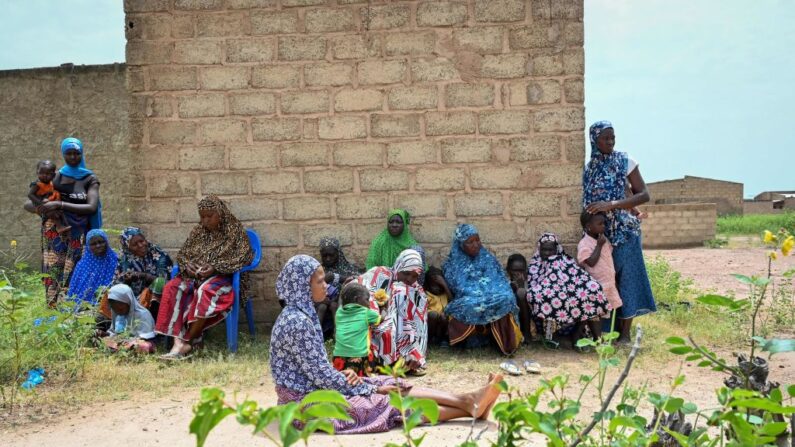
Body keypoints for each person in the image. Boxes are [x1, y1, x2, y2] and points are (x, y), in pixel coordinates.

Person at [270, 254, 504, 434]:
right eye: (319, 281)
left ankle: (466, 401)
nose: (325, 285)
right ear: (302, 285)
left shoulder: (301, 314)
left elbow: (315, 370)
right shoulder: (297, 322)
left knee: (388, 382)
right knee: (383, 400)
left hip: (316, 388)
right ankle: (468, 404)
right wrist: (367, 387)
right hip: (305, 403)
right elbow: (318, 376)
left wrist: (354, 379)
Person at [582, 120, 656, 343]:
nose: (610, 142)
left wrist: (611, 204)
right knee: (606, 280)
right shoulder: (589, 169)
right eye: (605, 138)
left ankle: (625, 335)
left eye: (612, 137)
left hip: (626, 234)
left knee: (628, 281)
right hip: (603, 237)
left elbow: (644, 194)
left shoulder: (625, 161)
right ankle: (607, 331)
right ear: (594, 140)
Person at [155, 195, 253, 359]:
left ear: (220, 213)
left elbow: (245, 257)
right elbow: (183, 254)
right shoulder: (198, 231)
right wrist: (189, 266)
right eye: (202, 217)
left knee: (204, 292)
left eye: (209, 216)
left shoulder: (235, 231)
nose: (205, 221)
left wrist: (216, 268)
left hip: (223, 279)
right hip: (194, 278)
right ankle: (177, 342)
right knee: (172, 287)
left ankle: (188, 340)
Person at [24, 137, 102, 306]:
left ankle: (75, 309)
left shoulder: (89, 179)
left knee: (76, 270)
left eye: (77, 153)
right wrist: (46, 208)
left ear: (82, 154)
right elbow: (28, 203)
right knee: (54, 271)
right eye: (69, 153)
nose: (73, 157)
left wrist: (60, 204)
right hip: (55, 234)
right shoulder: (54, 177)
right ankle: (52, 309)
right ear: (63, 154)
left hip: (79, 233)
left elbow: (91, 207)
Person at [442, 224, 523, 356]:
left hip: (493, 295)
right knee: (467, 306)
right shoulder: (452, 264)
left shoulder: (488, 258)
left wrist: (490, 293)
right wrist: (481, 294)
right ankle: (468, 340)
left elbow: (500, 281)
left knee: (507, 298)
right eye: (470, 242)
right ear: (461, 245)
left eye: (477, 240)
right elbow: (459, 288)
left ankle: (504, 341)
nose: (475, 245)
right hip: (471, 299)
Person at [527, 233, 610, 347]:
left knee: (592, 293)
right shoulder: (535, 264)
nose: (547, 253)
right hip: (548, 302)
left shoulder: (566, 260)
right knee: (548, 298)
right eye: (544, 250)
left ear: (556, 249)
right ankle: (552, 338)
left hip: (568, 296)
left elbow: (576, 277)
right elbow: (533, 286)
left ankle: (595, 338)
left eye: (550, 250)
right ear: (539, 249)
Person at [356, 249, 428, 375]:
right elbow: (363, 294)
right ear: (398, 267)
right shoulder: (379, 274)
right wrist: (380, 314)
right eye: (406, 273)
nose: (410, 279)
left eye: (414, 276)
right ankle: (384, 363)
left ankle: (408, 361)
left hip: (402, 328)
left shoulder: (416, 289)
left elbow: (420, 322)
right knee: (386, 331)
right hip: (375, 320)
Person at [112, 227, 173, 321]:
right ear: (127, 247)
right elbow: (118, 285)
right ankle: (109, 325)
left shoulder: (158, 255)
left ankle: (155, 323)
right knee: (112, 293)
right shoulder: (124, 260)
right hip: (132, 300)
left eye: (142, 240)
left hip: (156, 299)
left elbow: (165, 283)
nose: (141, 245)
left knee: (158, 284)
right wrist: (127, 281)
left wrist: (142, 275)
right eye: (134, 244)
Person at [577, 212, 623, 319]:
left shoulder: (603, 239)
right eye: (600, 224)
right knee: (594, 314)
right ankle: (583, 334)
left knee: (605, 312)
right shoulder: (585, 243)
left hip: (609, 282)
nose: (604, 226)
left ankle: (601, 334)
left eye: (604, 223)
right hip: (597, 285)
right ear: (588, 226)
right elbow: (591, 262)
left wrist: (614, 280)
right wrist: (599, 245)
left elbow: (608, 259)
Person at [316, 237, 363, 339]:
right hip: (322, 306)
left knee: (335, 305)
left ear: (338, 253)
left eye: (331, 255)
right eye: (325, 256)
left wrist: (336, 277)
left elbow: (359, 281)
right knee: (323, 306)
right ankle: (318, 336)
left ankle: (340, 335)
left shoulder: (349, 268)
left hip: (342, 306)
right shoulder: (317, 270)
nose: (328, 259)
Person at [332, 283, 381, 377]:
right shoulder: (366, 312)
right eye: (367, 300)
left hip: (338, 357)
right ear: (357, 299)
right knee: (373, 347)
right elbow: (380, 319)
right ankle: (369, 372)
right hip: (359, 357)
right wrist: (383, 308)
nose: (368, 303)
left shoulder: (338, 313)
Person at [66, 229, 118, 307]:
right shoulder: (82, 265)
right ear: (88, 246)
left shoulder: (115, 260)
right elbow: (74, 289)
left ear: (106, 242)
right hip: (83, 305)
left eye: (101, 242)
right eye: (93, 244)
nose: (98, 245)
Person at [102, 284, 157, 354]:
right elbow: (113, 332)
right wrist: (104, 334)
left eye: (120, 308)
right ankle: (119, 350)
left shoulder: (143, 314)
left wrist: (129, 341)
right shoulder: (117, 314)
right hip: (121, 342)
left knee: (142, 346)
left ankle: (122, 350)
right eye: (114, 308)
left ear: (129, 302)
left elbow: (146, 337)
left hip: (138, 341)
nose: (117, 311)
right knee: (103, 340)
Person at [28, 160, 71, 234]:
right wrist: (41, 203)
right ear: (37, 172)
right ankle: (59, 227)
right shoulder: (37, 184)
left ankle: (66, 226)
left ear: (53, 175)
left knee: (61, 212)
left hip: (49, 203)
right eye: (41, 173)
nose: (44, 175)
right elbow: (30, 195)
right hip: (40, 205)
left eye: (47, 174)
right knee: (53, 213)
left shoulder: (50, 183)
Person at [505, 254, 536, 343]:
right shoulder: (505, 280)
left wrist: (521, 286)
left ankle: (526, 332)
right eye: (515, 270)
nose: (518, 274)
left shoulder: (530, 280)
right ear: (508, 270)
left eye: (521, 270)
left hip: (527, 314)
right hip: (510, 313)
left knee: (521, 297)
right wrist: (512, 287)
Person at [424, 266, 451, 347]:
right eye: (434, 286)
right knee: (433, 315)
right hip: (431, 323)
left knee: (444, 316)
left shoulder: (445, 294)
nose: (437, 289)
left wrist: (444, 286)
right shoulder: (426, 294)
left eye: (439, 286)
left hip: (443, 323)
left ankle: (442, 339)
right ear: (428, 284)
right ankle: (430, 339)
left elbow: (453, 302)